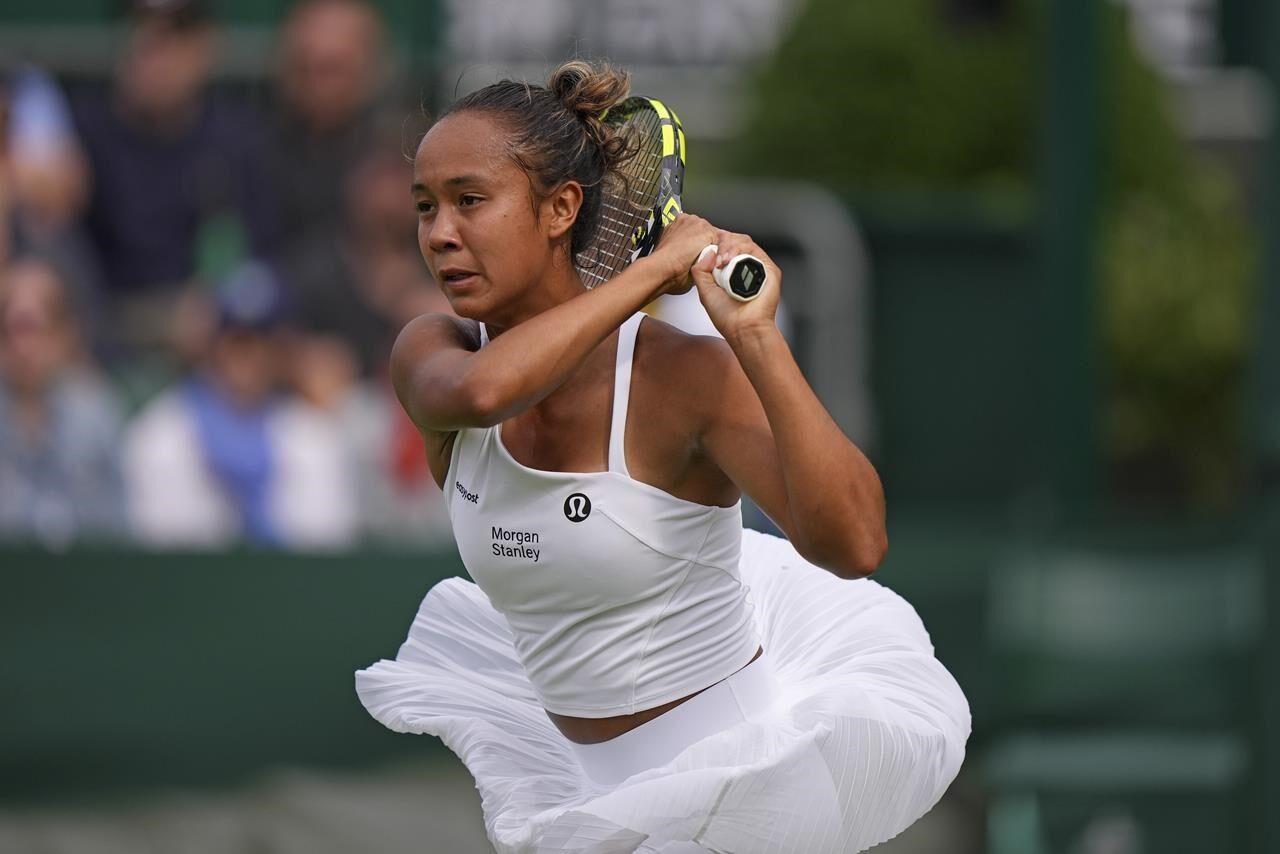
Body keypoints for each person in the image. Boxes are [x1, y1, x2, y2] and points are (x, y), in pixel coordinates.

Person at [355, 61, 969, 853]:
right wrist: (653, 268)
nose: (441, 232)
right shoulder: (432, 355)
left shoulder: (686, 377)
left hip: (740, 799)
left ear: (561, 209)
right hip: (592, 797)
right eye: (426, 207)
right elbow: (487, 393)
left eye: (471, 201)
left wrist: (752, 338)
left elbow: (855, 543)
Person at [122, 261, 358, 550]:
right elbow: (160, 557)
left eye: (263, 340)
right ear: (212, 343)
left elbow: (326, 551)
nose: (249, 355)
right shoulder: (160, 435)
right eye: (236, 340)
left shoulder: (315, 438)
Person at [0, 256, 127, 547]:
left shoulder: (96, 412)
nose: (24, 348)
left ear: (64, 334)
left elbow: (116, 532)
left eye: (35, 329)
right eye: (12, 330)